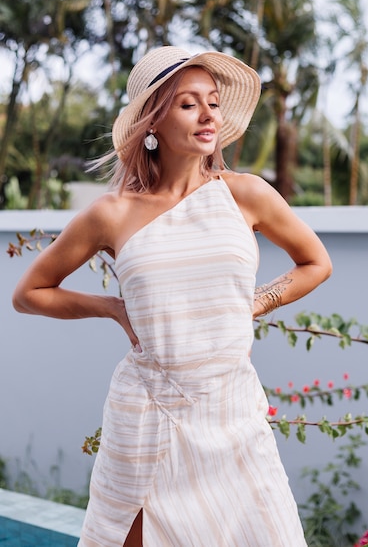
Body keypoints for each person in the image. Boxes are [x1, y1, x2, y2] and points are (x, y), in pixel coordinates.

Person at [13, 45, 332, 547]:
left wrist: (257, 302)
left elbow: (316, 263)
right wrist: (113, 309)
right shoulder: (111, 213)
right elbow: (30, 292)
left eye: (214, 101)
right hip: (149, 411)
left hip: (231, 408)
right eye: (188, 104)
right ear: (152, 123)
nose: (209, 115)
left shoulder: (245, 193)